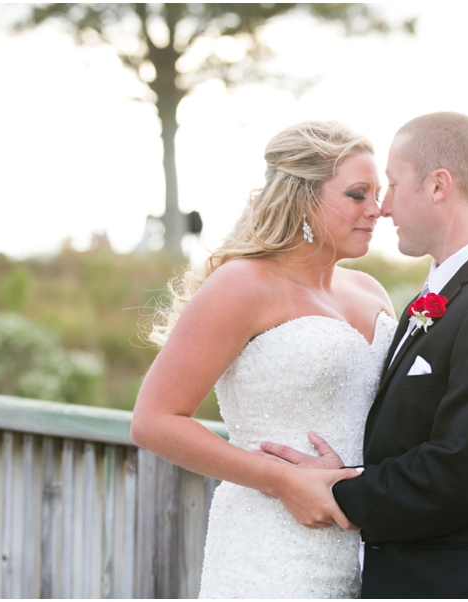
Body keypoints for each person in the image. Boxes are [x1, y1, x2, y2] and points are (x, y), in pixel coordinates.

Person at [260, 112, 468, 598]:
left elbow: (459, 475)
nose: (382, 207)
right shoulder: (454, 291)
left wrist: (336, 491)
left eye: (393, 184)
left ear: (438, 186)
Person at [129, 120, 397, 598]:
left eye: (379, 194)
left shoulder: (371, 292)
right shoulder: (242, 285)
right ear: (304, 199)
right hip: (270, 552)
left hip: (366, 551)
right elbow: (153, 420)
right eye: (358, 194)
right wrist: (281, 481)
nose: (378, 210)